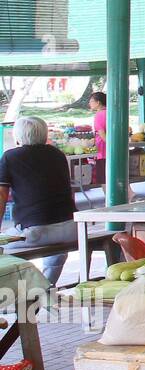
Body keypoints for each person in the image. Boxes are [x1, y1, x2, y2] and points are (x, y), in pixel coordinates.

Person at [0, 117, 77, 284]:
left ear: (18, 137)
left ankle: (32, 291)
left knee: (4, 247)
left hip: (35, 232)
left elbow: (1, 196)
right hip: (71, 228)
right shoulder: (58, 154)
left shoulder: (10, 157)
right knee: (57, 250)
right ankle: (45, 288)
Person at [89, 90, 107, 185]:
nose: (89, 103)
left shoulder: (99, 115)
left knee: (104, 180)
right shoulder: (110, 112)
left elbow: (103, 136)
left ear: (98, 102)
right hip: (112, 151)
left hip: (103, 151)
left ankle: (109, 199)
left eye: (91, 101)